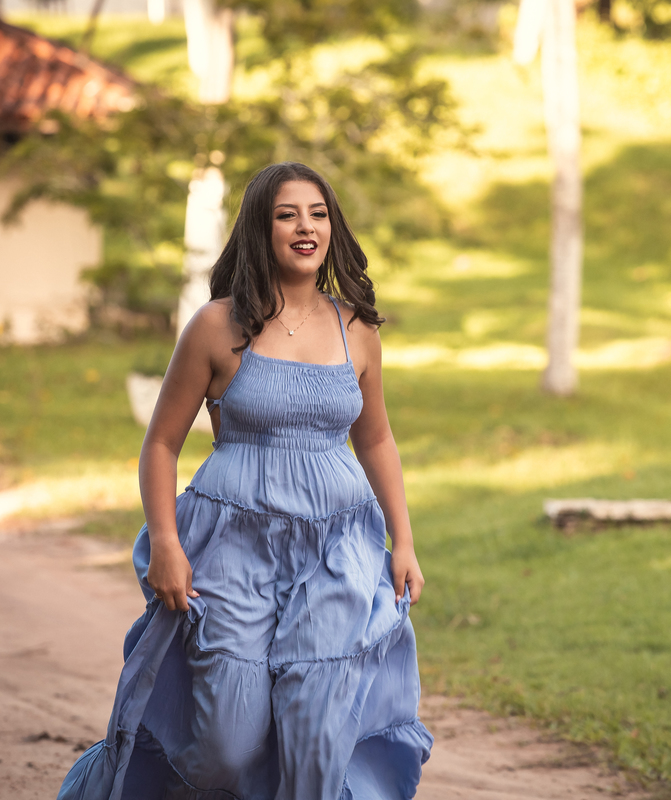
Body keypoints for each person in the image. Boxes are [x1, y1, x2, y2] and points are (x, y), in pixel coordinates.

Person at [58, 162, 433, 800]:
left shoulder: (357, 329)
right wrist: (167, 545)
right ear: (261, 230)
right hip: (232, 544)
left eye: (317, 213)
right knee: (223, 747)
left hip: (337, 548)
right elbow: (161, 444)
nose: (305, 226)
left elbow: (375, 438)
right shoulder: (215, 326)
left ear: (333, 229)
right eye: (287, 214)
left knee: (315, 732)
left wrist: (403, 539)